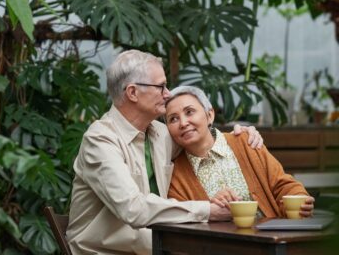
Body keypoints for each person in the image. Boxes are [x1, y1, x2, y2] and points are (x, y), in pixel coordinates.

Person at [66, 50, 264, 255]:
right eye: (160, 86)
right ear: (133, 93)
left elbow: (199, 136)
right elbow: (133, 209)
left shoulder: (160, 133)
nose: (168, 93)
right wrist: (208, 211)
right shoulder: (100, 141)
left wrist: (238, 136)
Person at [166, 85, 314, 218]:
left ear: (209, 115)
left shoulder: (246, 142)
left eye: (189, 112)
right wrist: (209, 208)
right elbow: (184, 225)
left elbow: (281, 184)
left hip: (270, 240)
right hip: (218, 245)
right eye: (173, 119)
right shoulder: (175, 175)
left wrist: (300, 200)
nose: (183, 123)